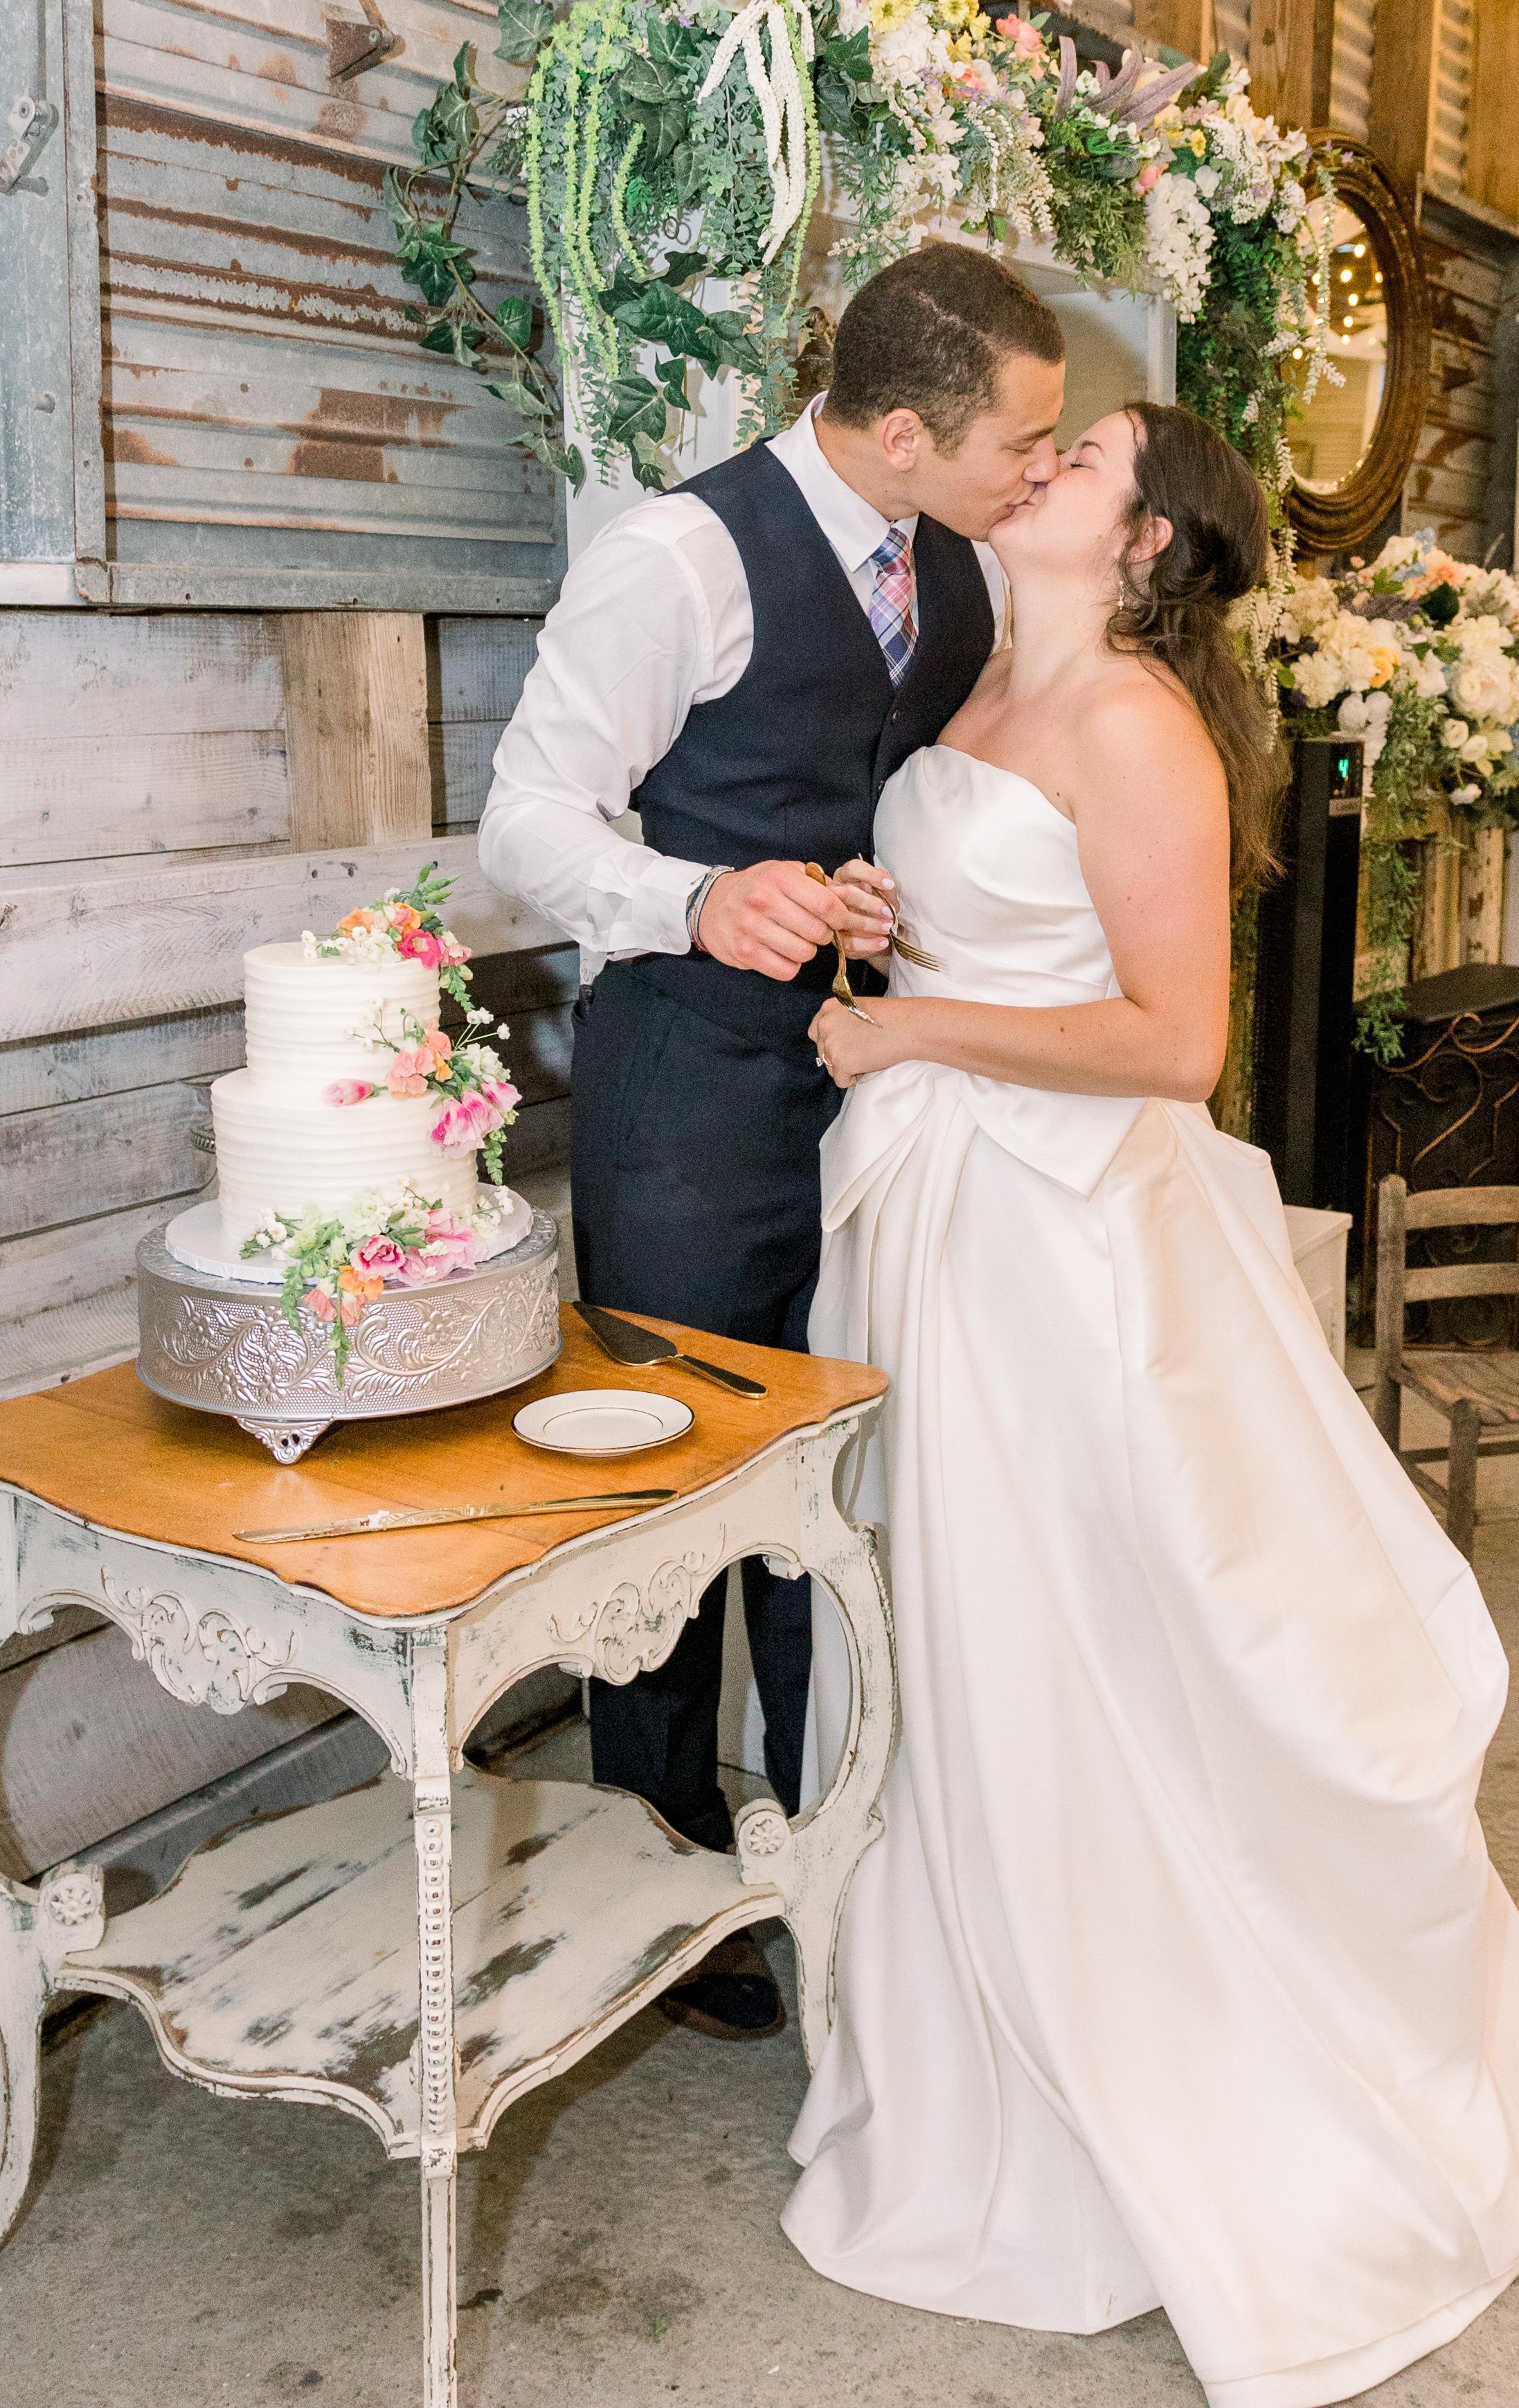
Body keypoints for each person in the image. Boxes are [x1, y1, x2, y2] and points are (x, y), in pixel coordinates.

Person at [784, 402, 1519, 2405]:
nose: (1044, 464)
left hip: (1059, 1251)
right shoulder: (981, 678)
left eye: (1084, 461)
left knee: (1074, 1633)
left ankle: (1151, 2034)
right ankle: (966, 2019)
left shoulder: (1143, 726)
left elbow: (1174, 1042)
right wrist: (895, 925)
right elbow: (1011, 919)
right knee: (950, 1626)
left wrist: (911, 1024)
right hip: (943, 1216)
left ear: (1147, 544)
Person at [478, 242, 1066, 2037]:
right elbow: (526, 820)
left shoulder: (961, 568)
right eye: (1021, 443)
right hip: (686, 1086)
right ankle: (661, 1875)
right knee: (672, 1479)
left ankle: (831, 1843)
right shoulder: (678, 557)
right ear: (904, 433)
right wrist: (693, 896)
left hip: (880, 1087)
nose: (1041, 471)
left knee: (839, 1467)